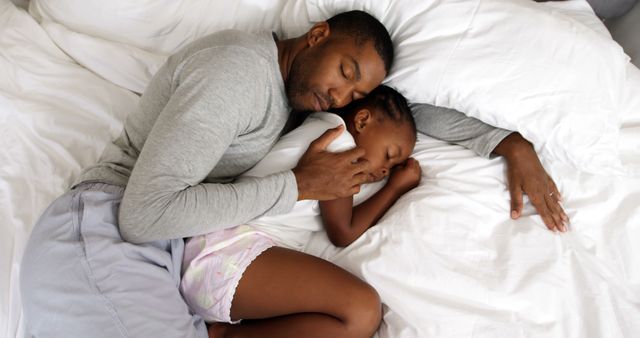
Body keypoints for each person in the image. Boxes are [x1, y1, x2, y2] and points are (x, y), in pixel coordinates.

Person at [20, 10, 394, 338]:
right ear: (317, 35)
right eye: (345, 72)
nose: (340, 96)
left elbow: (415, 111)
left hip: (161, 256)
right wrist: (297, 186)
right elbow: (144, 215)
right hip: (107, 228)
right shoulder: (236, 75)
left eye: (356, 94)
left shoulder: (291, 91)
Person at [180, 85, 419, 337]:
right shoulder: (339, 143)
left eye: (391, 168)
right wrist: (394, 188)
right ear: (362, 120)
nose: (385, 171)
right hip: (229, 255)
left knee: (360, 312)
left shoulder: (317, 124)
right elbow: (343, 232)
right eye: (389, 155)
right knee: (362, 311)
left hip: (218, 261)